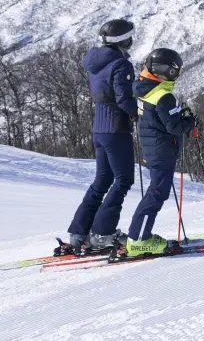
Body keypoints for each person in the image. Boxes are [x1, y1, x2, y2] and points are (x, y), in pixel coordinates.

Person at [66, 19, 138, 253]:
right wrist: (138, 113)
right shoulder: (121, 64)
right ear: (122, 40)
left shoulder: (95, 61)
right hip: (116, 129)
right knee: (123, 180)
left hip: (99, 128)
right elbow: (123, 99)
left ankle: (79, 232)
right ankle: (103, 233)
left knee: (102, 181)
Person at [125, 48, 196, 256]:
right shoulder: (163, 96)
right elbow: (174, 127)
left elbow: (159, 119)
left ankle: (140, 237)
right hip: (162, 150)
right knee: (157, 193)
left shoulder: (145, 90)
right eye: (175, 71)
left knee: (156, 192)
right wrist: (189, 121)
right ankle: (139, 239)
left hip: (153, 148)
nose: (177, 75)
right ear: (165, 71)